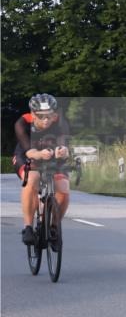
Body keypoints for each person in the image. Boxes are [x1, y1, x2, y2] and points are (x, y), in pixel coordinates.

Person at [12, 94, 71, 245]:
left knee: (63, 187)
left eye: (49, 116)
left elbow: (64, 144)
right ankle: (28, 228)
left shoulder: (60, 121)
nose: (46, 120)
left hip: (51, 153)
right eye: (41, 116)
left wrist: (62, 150)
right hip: (27, 154)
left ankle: (54, 227)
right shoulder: (22, 122)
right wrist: (39, 154)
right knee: (32, 179)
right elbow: (29, 151)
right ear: (32, 114)